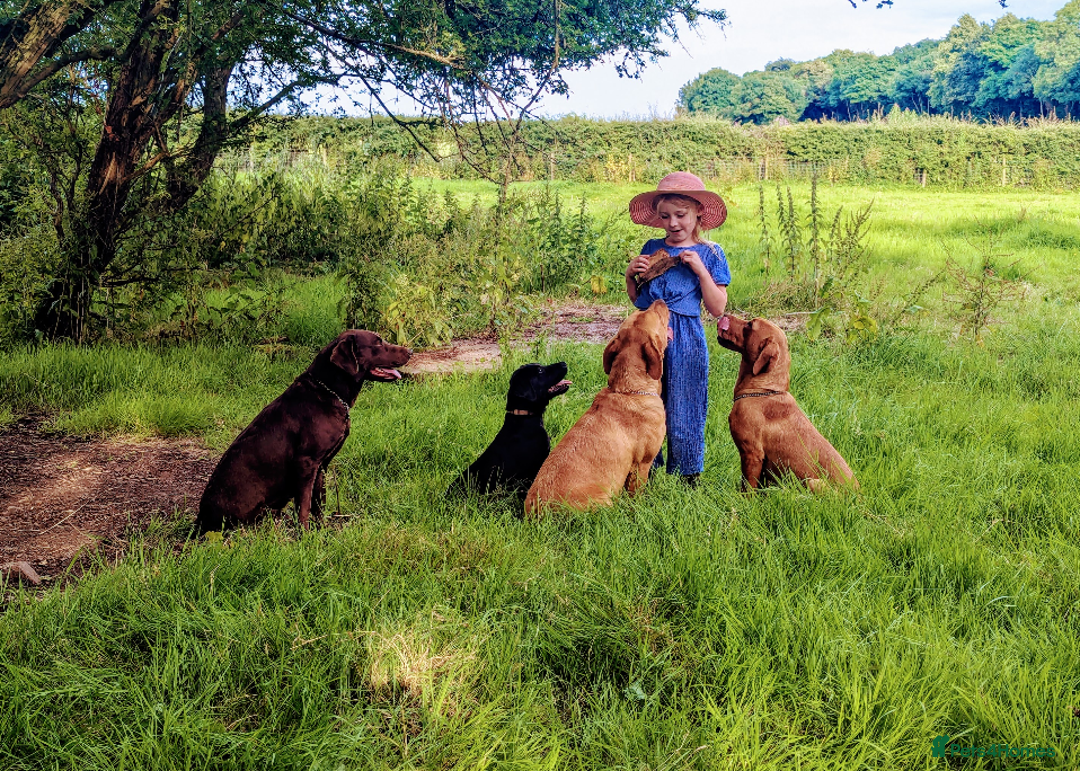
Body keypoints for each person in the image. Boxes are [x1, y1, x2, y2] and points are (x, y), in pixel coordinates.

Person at [624, 171, 730, 486]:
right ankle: (647, 468)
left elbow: (717, 307)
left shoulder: (711, 254)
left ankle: (687, 475)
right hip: (650, 333)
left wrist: (700, 271)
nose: (673, 223)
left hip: (686, 337)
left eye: (681, 215)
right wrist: (631, 276)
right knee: (645, 398)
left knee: (685, 402)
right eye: (665, 216)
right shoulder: (653, 246)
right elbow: (640, 300)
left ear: (698, 212)